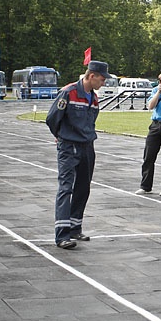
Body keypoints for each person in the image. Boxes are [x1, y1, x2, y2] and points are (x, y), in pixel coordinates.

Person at [46, 60, 112, 249]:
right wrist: (60, 136)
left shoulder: (94, 97)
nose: (103, 82)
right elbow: (52, 118)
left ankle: (75, 227)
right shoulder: (69, 92)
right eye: (102, 78)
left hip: (87, 146)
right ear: (91, 75)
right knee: (66, 188)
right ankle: (62, 235)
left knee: (83, 187)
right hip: (69, 146)